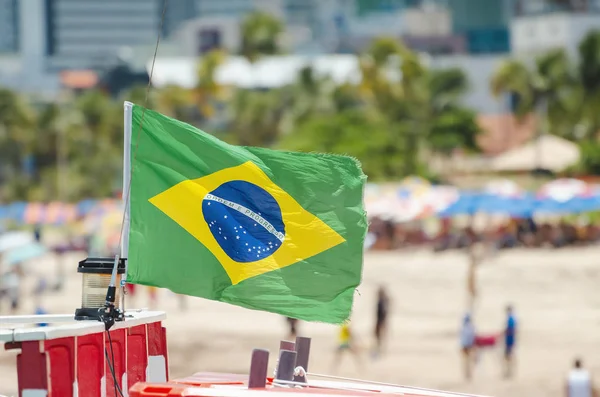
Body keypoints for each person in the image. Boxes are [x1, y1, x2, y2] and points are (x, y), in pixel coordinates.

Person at [373, 286, 390, 358]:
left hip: (380, 321)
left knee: (379, 337)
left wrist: (381, 322)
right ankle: (381, 350)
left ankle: (380, 351)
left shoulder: (381, 302)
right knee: (380, 337)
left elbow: (381, 313)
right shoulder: (383, 301)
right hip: (381, 321)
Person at [460, 313, 476, 380]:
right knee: (469, 361)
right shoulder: (471, 327)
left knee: (466, 361)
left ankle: (467, 374)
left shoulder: (464, 327)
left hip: (465, 346)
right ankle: (469, 374)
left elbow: (463, 338)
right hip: (469, 346)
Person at [503, 304, 518, 378]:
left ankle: (509, 372)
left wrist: (504, 332)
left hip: (509, 340)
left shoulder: (510, 319)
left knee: (508, 357)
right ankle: (509, 371)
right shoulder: (512, 318)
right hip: (510, 340)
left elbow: (511, 330)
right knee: (509, 356)